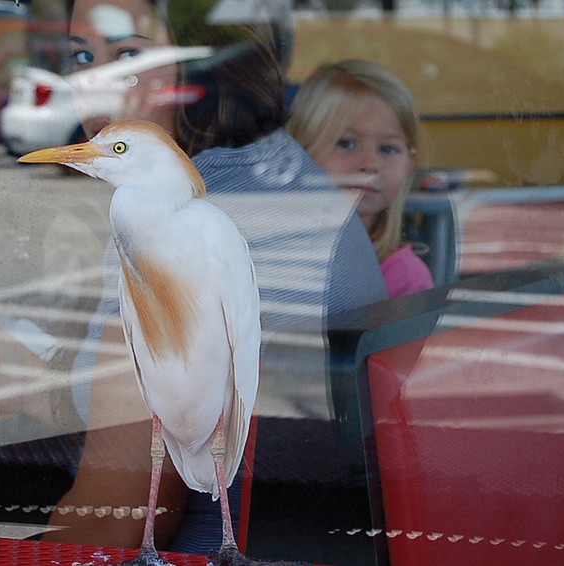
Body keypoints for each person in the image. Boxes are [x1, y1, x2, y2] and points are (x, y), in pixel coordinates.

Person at [36, 0, 388, 556]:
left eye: (128, 53)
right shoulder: (279, 178)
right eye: (83, 55)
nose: (94, 84)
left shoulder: (188, 228)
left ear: (205, 67)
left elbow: (113, 524)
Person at [286, 59, 435, 299]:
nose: (370, 164)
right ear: (300, 151)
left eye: (388, 149)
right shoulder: (276, 257)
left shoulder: (404, 279)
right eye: (346, 143)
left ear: (410, 163)